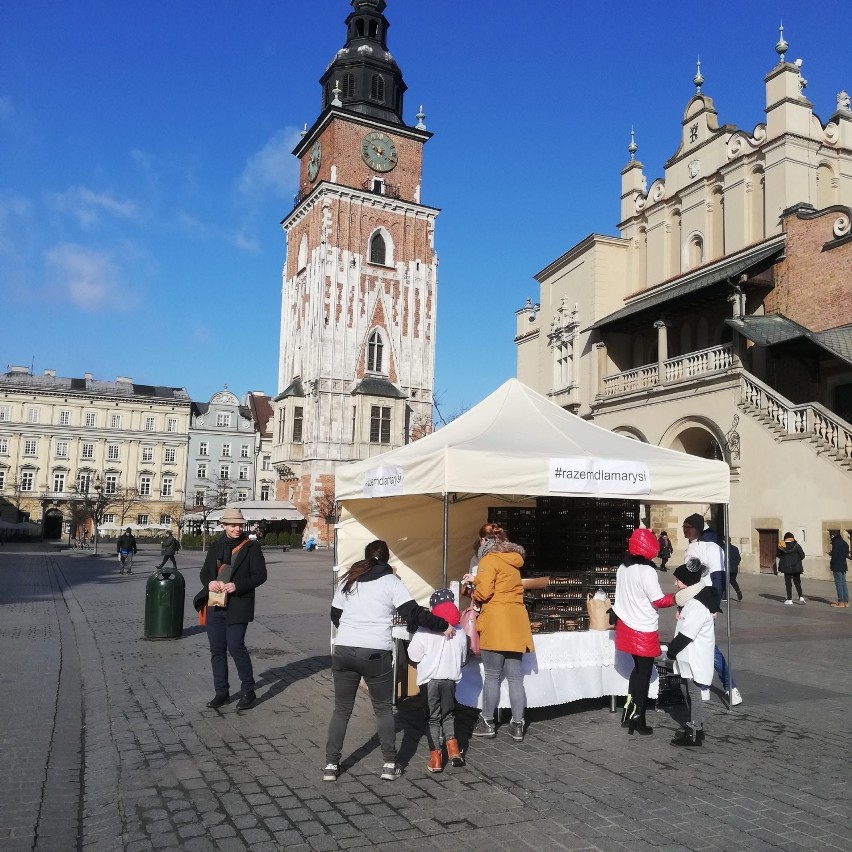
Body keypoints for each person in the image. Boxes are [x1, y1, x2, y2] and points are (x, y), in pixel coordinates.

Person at [325, 539, 453, 783]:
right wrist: (443, 624)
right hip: (375, 652)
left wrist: (352, 632)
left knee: (341, 709)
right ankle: (389, 763)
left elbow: (335, 614)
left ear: (366, 556)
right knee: (383, 709)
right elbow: (413, 613)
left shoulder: (349, 579)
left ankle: (331, 764)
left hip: (344, 649)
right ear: (387, 559)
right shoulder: (392, 581)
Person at [462, 522, 534, 743]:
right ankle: (518, 724)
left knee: (492, 675)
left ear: (486, 542)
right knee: (515, 677)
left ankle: (487, 722)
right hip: (517, 621)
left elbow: (483, 593)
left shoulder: (488, 560)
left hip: (496, 622)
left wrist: (472, 585)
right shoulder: (513, 561)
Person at [199, 507, 267, 712]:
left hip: (238, 603)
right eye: (233, 525)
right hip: (216, 603)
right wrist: (210, 582)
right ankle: (222, 693)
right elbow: (205, 572)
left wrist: (238, 585)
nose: (237, 529)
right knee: (217, 649)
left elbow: (260, 575)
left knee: (236, 646)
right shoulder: (215, 546)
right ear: (224, 526)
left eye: (240, 525)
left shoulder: (251, 547)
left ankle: (248, 691)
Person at [612, 528, 675, 735]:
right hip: (643, 627)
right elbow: (658, 600)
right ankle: (639, 718)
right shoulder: (646, 571)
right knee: (644, 672)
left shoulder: (623, 567)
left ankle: (629, 713)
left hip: (625, 624)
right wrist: (678, 597)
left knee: (637, 670)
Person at [682, 514, 742, 706]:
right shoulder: (691, 547)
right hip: (691, 603)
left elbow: (717, 577)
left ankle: (730, 687)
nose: (685, 530)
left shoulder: (713, 548)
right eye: (684, 526)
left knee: (708, 647)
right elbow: (688, 579)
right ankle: (704, 687)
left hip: (705, 603)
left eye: (688, 526)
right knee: (698, 646)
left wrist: (713, 605)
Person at [407, 588, 468, 773]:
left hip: (429, 680)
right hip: (449, 679)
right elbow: (464, 658)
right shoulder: (460, 630)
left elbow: (413, 655)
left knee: (432, 718)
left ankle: (436, 759)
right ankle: (454, 751)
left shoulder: (425, 631)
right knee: (448, 714)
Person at [667, 558, 720, 747]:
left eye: (678, 580)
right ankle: (694, 726)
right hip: (688, 657)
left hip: (695, 656)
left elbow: (688, 633)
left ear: (687, 582)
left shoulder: (698, 604)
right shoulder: (692, 600)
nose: (675, 584)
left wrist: (671, 651)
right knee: (686, 689)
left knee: (693, 692)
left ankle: (695, 731)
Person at [777, 531, 807, 605]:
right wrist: (797, 559)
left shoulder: (781, 546)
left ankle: (789, 599)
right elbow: (802, 556)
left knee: (788, 583)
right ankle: (801, 597)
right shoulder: (797, 545)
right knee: (797, 582)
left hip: (786, 568)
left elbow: (778, 555)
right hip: (796, 567)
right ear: (792, 538)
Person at [828, 531, 850, 608]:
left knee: (839, 584)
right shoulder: (845, 543)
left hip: (837, 566)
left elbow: (835, 556)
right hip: (843, 565)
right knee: (843, 583)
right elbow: (846, 553)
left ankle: (840, 601)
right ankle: (846, 602)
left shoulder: (836, 544)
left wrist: (831, 556)